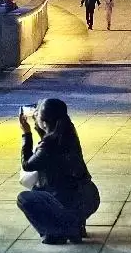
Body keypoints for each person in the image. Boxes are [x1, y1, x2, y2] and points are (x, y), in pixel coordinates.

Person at [18, 99, 101, 244]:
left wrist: (27, 133)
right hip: (89, 197)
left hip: (64, 202)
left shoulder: (48, 146)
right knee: (52, 190)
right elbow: (49, 141)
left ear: (45, 122)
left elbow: (27, 165)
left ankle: (56, 233)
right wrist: (39, 126)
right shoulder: (69, 134)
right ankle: (76, 225)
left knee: (25, 198)